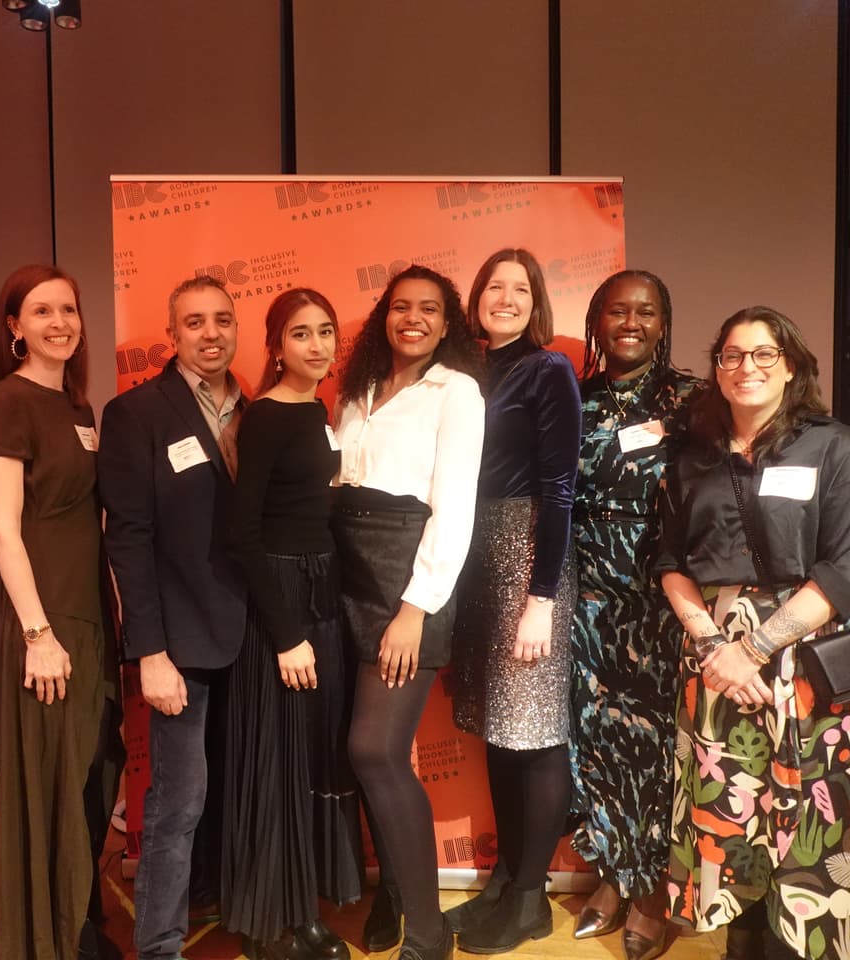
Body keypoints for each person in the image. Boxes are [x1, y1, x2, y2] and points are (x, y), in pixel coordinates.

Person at [658, 307, 850, 960]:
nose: (747, 367)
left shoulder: (831, 445)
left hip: (809, 655)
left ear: (789, 367)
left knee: (818, 813)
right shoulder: (693, 455)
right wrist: (713, 646)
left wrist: (756, 648)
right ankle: (744, 939)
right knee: (729, 808)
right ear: (716, 367)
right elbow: (670, 564)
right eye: (732, 355)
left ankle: (810, 946)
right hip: (713, 659)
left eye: (764, 354)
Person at [332, 264, 484, 960]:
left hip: (406, 580)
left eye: (428, 309)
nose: (413, 319)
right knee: (355, 752)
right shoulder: (359, 389)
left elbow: (454, 509)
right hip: (345, 572)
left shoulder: (458, 393)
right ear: (383, 317)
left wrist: (415, 607)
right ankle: (393, 895)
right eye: (400, 307)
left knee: (376, 750)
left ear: (448, 322)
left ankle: (429, 934)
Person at [98, 276, 249, 960]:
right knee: (179, 801)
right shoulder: (136, 414)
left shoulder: (258, 408)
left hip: (256, 638)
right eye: (195, 322)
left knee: (241, 791)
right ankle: (159, 946)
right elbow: (126, 538)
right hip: (180, 640)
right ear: (172, 334)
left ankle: (230, 902)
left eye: (222, 319)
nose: (211, 333)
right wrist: (149, 651)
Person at [446, 249, 581, 953]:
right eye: (493, 285)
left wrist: (542, 598)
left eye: (519, 288)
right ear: (475, 299)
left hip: (529, 554)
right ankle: (505, 878)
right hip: (476, 556)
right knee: (501, 727)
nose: (504, 297)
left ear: (537, 303)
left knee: (535, 730)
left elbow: (560, 486)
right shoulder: (470, 370)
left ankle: (532, 897)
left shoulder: (547, 368)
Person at [221, 289, 362, 960]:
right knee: (275, 763)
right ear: (275, 346)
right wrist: (284, 635)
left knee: (313, 758)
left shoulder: (318, 411)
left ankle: (303, 911)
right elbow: (244, 532)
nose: (316, 344)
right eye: (300, 333)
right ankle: (266, 926)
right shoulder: (269, 417)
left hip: (322, 591)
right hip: (281, 599)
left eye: (325, 331)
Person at [0, 264, 107, 960]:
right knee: (46, 783)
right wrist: (37, 634)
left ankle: (78, 928)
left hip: (86, 613)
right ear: (14, 327)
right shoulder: (5, 404)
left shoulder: (80, 409)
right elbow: (2, 530)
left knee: (84, 777)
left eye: (70, 309)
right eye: (42, 311)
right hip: (41, 619)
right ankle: (41, 945)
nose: (60, 322)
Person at [567, 270, 702, 960]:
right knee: (595, 740)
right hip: (584, 596)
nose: (630, 322)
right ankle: (614, 874)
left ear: (663, 321)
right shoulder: (576, 397)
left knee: (653, 748)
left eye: (645, 311)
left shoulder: (689, 401)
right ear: (596, 320)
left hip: (655, 600)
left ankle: (654, 890)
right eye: (616, 310)